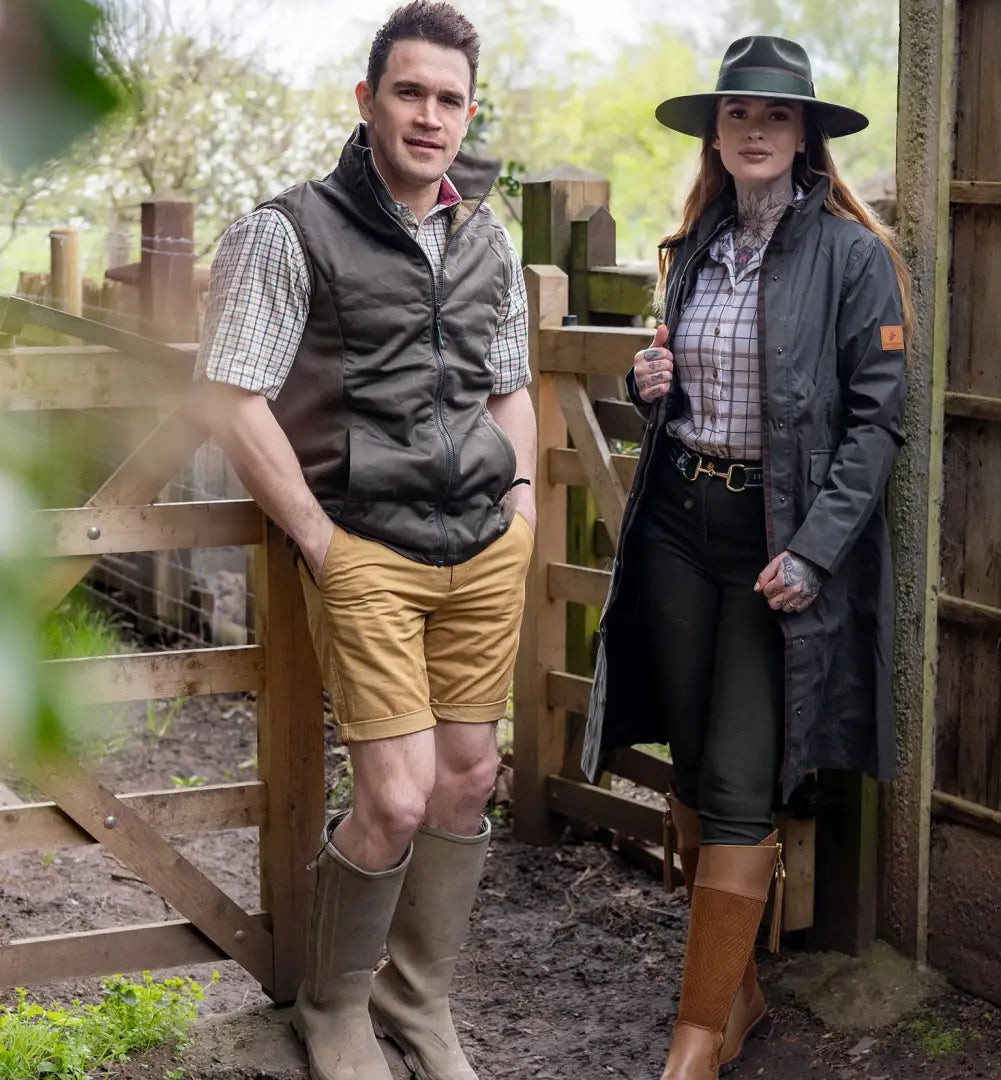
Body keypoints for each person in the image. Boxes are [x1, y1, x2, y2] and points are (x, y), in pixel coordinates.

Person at [195, 4, 535, 1079]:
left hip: (483, 547)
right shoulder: (288, 231)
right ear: (368, 100)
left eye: (448, 99)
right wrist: (321, 542)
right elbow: (233, 400)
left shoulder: (488, 237)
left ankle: (419, 1003)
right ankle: (334, 1004)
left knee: (469, 777)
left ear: (467, 112)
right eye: (409, 92)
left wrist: (522, 507)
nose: (429, 116)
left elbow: (513, 388)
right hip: (367, 548)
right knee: (395, 796)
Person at [581, 36, 912, 1078]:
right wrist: (652, 383)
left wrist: (814, 552)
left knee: (737, 776)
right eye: (738, 116)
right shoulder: (694, 246)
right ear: (716, 136)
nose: (756, 132)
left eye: (776, 117)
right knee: (686, 748)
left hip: (778, 542)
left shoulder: (855, 259)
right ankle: (737, 993)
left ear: (806, 134)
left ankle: (695, 1038)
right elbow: (693, 384)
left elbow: (876, 427)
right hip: (680, 519)